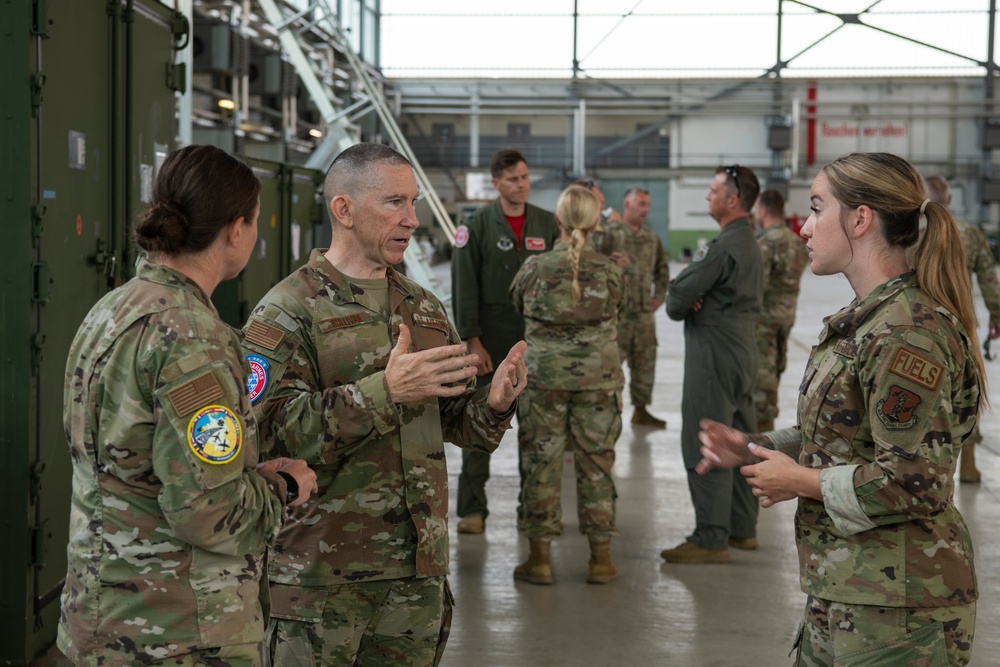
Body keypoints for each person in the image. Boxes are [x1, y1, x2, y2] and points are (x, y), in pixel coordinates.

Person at [241, 143, 528, 666]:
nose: (413, 219)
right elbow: (265, 434)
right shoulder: (287, 311)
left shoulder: (422, 306)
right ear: (344, 209)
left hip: (417, 578)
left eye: (414, 203)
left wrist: (493, 403)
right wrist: (384, 392)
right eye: (395, 203)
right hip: (319, 582)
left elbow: (454, 421)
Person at [697, 153, 983, 665]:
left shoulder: (907, 333)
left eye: (816, 208)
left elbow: (916, 480)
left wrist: (800, 482)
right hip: (848, 585)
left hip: (900, 606)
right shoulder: (866, 320)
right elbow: (843, 433)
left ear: (860, 219)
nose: (804, 227)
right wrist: (755, 447)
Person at [58, 145, 318, 667]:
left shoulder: (113, 308)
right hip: (177, 630)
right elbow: (207, 511)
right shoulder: (192, 337)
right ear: (237, 230)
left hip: (98, 610)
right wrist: (284, 486)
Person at [509, 185, 627, 586]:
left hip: (543, 380)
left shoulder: (534, 269)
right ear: (596, 222)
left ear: (557, 221)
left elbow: (516, 306)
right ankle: (601, 560)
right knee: (597, 465)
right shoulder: (611, 271)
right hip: (599, 380)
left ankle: (539, 561)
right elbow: (622, 309)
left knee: (541, 462)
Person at [450, 148, 559, 534]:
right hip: (491, 344)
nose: (522, 185)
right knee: (481, 425)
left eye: (526, 177)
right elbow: (464, 285)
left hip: (538, 342)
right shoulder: (476, 227)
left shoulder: (548, 224)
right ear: (496, 183)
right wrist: (472, 341)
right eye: (513, 179)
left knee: (538, 433)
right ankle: (473, 510)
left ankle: (534, 512)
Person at [661, 165, 763, 563]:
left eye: (713, 190)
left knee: (707, 436)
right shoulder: (750, 242)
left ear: (732, 200)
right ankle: (742, 529)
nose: (708, 196)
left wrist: (688, 295)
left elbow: (675, 301)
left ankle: (710, 536)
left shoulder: (720, 248)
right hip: (743, 349)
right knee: (742, 438)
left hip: (714, 350)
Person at [925, 174, 1000, 484]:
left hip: (921, 323)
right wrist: (996, 316)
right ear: (950, 200)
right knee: (967, 389)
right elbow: (988, 278)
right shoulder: (968, 232)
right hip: (961, 324)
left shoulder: (911, 233)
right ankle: (967, 463)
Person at [600, 187, 671, 427]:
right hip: (617, 316)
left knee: (645, 365)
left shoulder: (651, 238)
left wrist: (659, 296)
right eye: (641, 204)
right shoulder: (610, 235)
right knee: (610, 366)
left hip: (643, 315)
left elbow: (663, 270)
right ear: (627, 205)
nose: (645, 209)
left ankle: (641, 411)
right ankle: (606, 412)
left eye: (648, 205)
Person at [753, 189, 810, 432]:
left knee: (761, 379)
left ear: (763, 210)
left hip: (763, 322)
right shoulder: (797, 243)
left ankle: (762, 433)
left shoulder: (765, 243)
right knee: (774, 371)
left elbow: (757, 287)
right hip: (786, 318)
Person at [574, 177, 623, 253]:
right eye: (597, 202)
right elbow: (607, 246)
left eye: (603, 203)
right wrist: (615, 224)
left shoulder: (598, 229)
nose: (602, 207)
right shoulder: (577, 230)